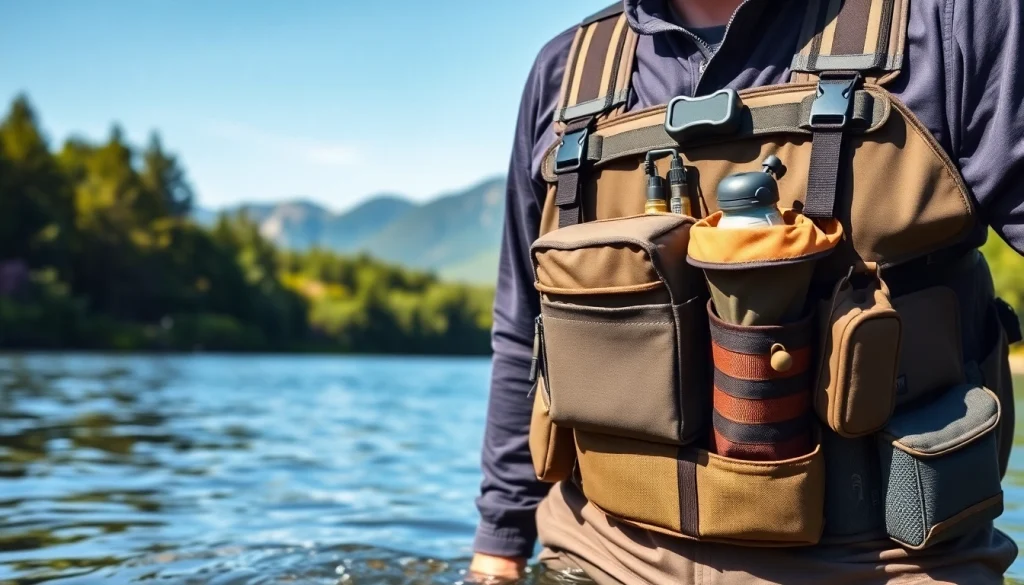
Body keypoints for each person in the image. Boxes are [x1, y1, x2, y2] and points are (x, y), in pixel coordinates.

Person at [470, 0, 1023, 583]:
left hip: (879, 566)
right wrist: (498, 550)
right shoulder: (563, 72)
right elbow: (522, 329)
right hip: (596, 557)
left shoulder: (954, 19)